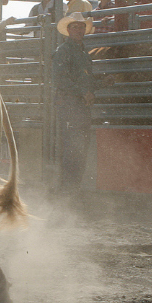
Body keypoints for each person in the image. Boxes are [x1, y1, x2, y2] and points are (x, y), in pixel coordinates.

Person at [51, 12, 97, 193]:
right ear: (68, 30)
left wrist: (101, 84)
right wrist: (84, 92)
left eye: (81, 27)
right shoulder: (63, 51)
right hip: (70, 107)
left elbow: (84, 80)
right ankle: (68, 189)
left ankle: (71, 189)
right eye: (75, 27)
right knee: (72, 148)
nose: (79, 30)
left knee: (79, 148)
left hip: (79, 107)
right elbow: (60, 80)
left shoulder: (82, 52)